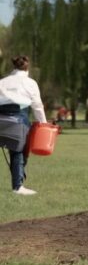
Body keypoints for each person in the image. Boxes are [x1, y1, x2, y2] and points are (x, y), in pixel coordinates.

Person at [0, 56, 48, 195]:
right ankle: (18, 186)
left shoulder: (2, 82)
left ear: (14, 67)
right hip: (17, 118)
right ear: (27, 68)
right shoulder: (30, 83)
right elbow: (37, 106)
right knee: (18, 152)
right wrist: (43, 124)